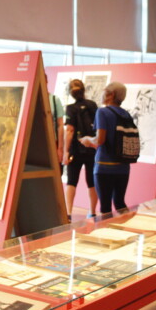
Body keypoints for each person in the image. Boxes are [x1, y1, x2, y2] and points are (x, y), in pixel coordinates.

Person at [80, 81, 131, 216]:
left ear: (111, 95)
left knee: (105, 207)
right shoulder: (126, 114)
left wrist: (87, 140)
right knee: (120, 202)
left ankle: (106, 234)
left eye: (104, 91)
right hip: (123, 167)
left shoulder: (102, 112)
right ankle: (127, 230)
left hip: (105, 167)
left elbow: (100, 139)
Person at [62, 79, 98, 219]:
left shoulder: (70, 108)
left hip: (76, 150)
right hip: (92, 148)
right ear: (84, 90)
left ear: (71, 93)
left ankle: (68, 213)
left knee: (71, 181)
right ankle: (92, 212)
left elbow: (69, 130)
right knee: (92, 181)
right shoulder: (93, 105)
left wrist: (65, 151)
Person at [46, 73, 64, 172]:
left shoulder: (54, 99)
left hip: (53, 141)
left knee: (55, 172)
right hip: (37, 143)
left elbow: (60, 125)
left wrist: (60, 149)